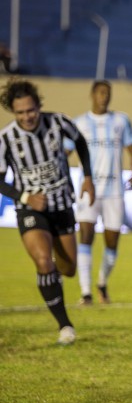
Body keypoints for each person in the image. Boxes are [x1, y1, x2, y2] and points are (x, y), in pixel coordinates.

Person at [0, 78, 95, 344]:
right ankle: (65, 325)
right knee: (44, 261)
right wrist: (25, 197)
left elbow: (82, 144)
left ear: (38, 106)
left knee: (68, 269)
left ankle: (53, 278)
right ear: (13, 111)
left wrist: (87, 177)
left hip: (62, 205)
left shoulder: (58, 122)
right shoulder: (6, 139)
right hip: (31, 210)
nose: (27, 116)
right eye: (20, 112)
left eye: (31, 110)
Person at [66, 80, 132, 305]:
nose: (104, 97)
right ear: (92, 95)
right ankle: (86, 292)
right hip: (89, 190)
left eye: (107, 93)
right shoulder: (79, 123)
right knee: (86, 236)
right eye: (100, 93)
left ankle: (102, 283)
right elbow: (65, 153)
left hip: (115, 191)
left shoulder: (121, 120)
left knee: (112, 242)